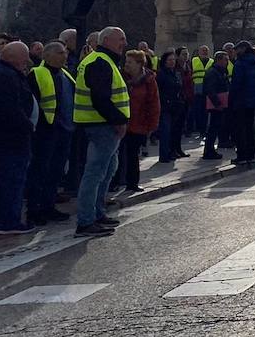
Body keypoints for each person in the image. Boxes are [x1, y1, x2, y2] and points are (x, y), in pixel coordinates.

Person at [74, 26, 130, 238]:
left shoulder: (103, 61)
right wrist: (117, 120)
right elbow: (100, 98)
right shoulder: (100, 62)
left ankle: (96, 213)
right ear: (106, 40)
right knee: (95, 173)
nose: (123, 43)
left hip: (102, 125)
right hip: (101, 125)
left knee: (106, 171)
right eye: (120, 39)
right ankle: (86, 220)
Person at [0, 41, 36, 234]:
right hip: (11, 138)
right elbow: (10, 109)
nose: (27, 61)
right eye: (24, 56)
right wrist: (28, 125)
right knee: (12, 180)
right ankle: (9, 221)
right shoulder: (6, 76)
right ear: (15, 58)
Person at [27, 41, 75, 225]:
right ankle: (34, 209)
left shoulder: (65, 74)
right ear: (48, 56)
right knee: (40, 171)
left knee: (55, 172)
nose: (65, 56)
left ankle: (48, 206)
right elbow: (32, 103)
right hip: (45, 131)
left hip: (64, 130)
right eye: (61, 52)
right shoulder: (37, 74)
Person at [113, 50, 159, 192]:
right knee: (117, 153)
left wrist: (152, 124)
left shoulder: (149, 80)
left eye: (130, 62)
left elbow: (154, 102)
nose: (126, 65)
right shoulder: (120, 77)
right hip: (121, 121)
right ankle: (115, 182)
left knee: (133, 154)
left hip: (139, 122)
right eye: (126, 62)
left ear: (140, 64)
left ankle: (132, 183)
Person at [229, 41, 255, 166]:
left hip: (242, 99)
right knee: (251, 127)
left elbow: (237, 83)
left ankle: (242, 155)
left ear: (241, 50)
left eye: (236, 50)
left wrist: (232, 98)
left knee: (240, 128)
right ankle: (250, 154)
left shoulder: (241, 63)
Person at [155, 51, 186, 163]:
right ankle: (164, 155)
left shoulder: (175, 73)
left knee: (173, 130)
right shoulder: (161, 74)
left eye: (173, 60)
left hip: (175, 105)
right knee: (165, 131)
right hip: (165, 106)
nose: (172, 62)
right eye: (170, 60)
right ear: (164, 61)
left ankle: (171, 151)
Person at [202, 51, 231, 160]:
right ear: (218, 60)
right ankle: (208, 150)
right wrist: (217, 103)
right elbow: (210, 89)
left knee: (216, 127)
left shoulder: (221, 71)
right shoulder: (213, 72)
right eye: (225, 60)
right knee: (213, 128)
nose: (227, 62)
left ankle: (211, 149)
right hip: (216, 105)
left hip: (222, 102)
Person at [190, 45, 213, 135]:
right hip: (196, 88)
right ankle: (197, 128)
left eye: (206, 50)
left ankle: (203, 130)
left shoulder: (212, 61)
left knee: (205, 111)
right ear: (199, 52)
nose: (205, 52)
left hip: (208, 89)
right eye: (203, 50)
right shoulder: (194, 60)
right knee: (196, 110)